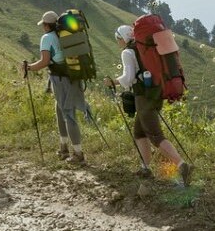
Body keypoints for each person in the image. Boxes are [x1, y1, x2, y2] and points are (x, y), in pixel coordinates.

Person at [104, 25, 194, 185]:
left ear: (123, 38)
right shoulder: (143, 48)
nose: (117, 42)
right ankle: (145, 168)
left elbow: (129, 77)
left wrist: (113, 82)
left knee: (155, 135)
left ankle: (182, 165)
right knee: (139, 132)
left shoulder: (127, 52)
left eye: (118, 39)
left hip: (143, 97)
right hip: (156, 92)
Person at [23, 10, 87, 163]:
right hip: (72, 77)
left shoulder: (47, 38)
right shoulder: (63, 35)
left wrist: (29, 68)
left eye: (43, 25)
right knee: (60, 111)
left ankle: (78, 154)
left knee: (68, 114)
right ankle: (63, 148)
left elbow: (44, 62)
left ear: (46, 25)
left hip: (60, 79)